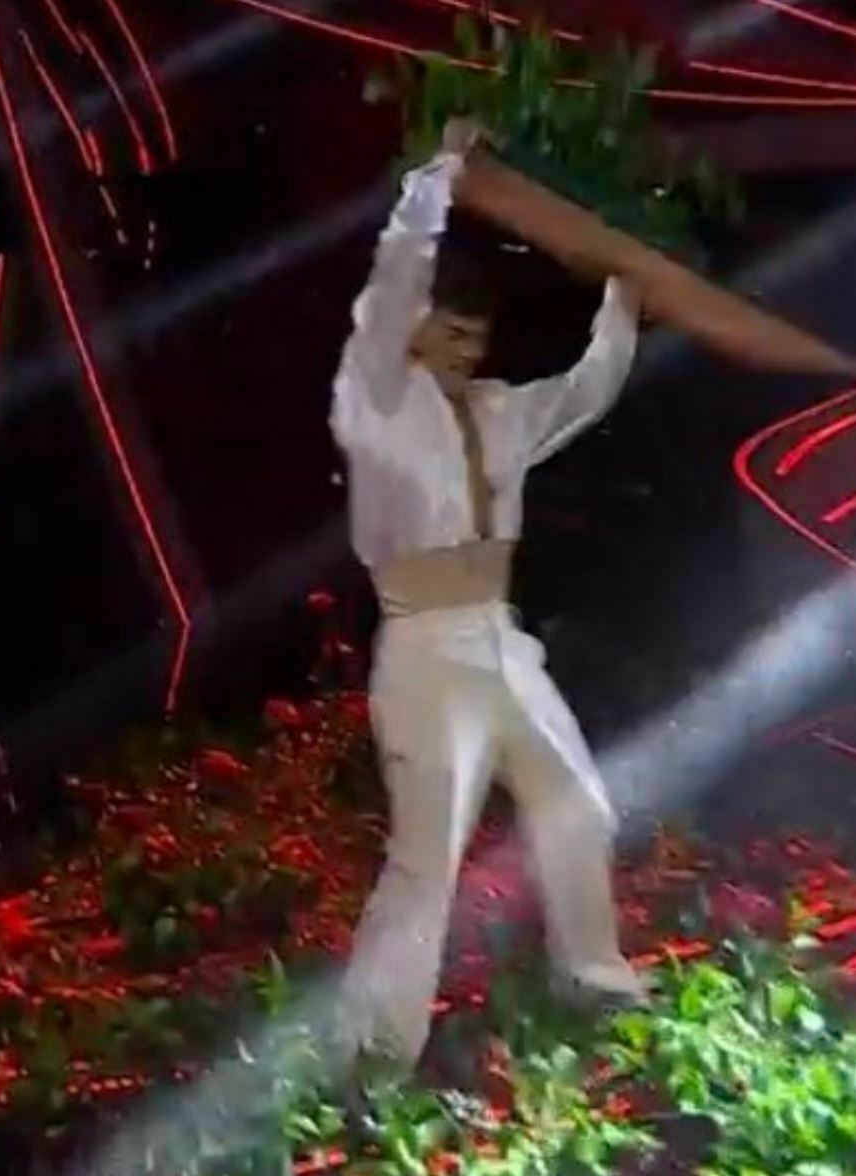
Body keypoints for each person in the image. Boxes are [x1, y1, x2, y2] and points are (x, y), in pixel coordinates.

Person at [330, 118, 647, 1070]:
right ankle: (372, 1047)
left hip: (500, 642)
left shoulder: (502, 411)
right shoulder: (376, 401)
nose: (466, 342)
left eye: (477, 329)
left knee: (578, 806)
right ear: (418, 324)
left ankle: (593, 979)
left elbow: (590, 387)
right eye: (450, 323)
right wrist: (435, 180)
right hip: (425, 649)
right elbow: (390, 289)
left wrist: (627, 286)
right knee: (428, 862)